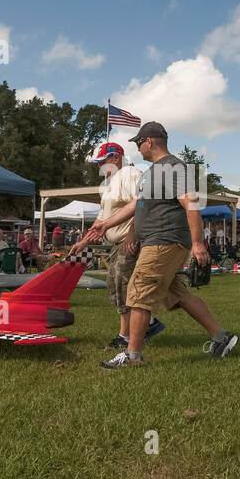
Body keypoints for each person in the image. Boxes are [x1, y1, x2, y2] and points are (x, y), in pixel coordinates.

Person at [85, 122, 237, 368]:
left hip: (164, 240)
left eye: (138, 142)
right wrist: (107, 224)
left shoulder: (173, 167)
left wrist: (198, 243)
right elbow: (137, 205)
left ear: (149, 142)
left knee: (138, 292)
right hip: (156, 241)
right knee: (177, 294)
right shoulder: (152, 172)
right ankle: (222, 337)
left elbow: (191, 202)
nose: (137, 147)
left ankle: (132, 355)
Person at [74, 141, 165, 351]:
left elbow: (142, 203)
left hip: (129, 241)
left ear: (115, 158)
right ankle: (145, 325)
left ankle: (128, 335)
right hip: (116, 243)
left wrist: (133, 233)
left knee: (125, 287)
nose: (99, 168)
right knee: (115, 287)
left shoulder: (130, 174)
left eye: (101, 162)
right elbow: (101, 218)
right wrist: (84, 241)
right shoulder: (108, 186)